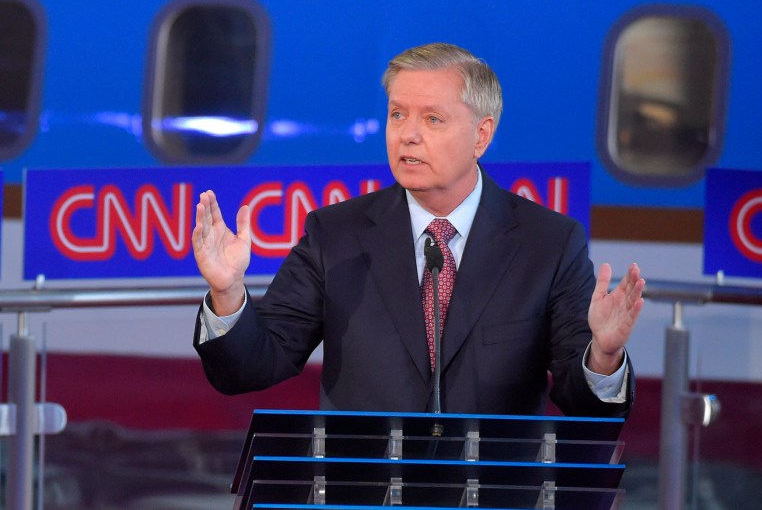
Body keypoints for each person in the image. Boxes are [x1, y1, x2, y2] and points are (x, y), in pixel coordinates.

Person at [192, 43, 645, 417]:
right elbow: (252, 367)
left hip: (491, 488)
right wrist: (227, 293)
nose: (407, 134)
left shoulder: (548, 244)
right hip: (366, 487)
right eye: (397, 115)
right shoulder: (336, 234)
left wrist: (603, 357)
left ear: (481, 135)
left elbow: (586, 404)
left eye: (432, 119)